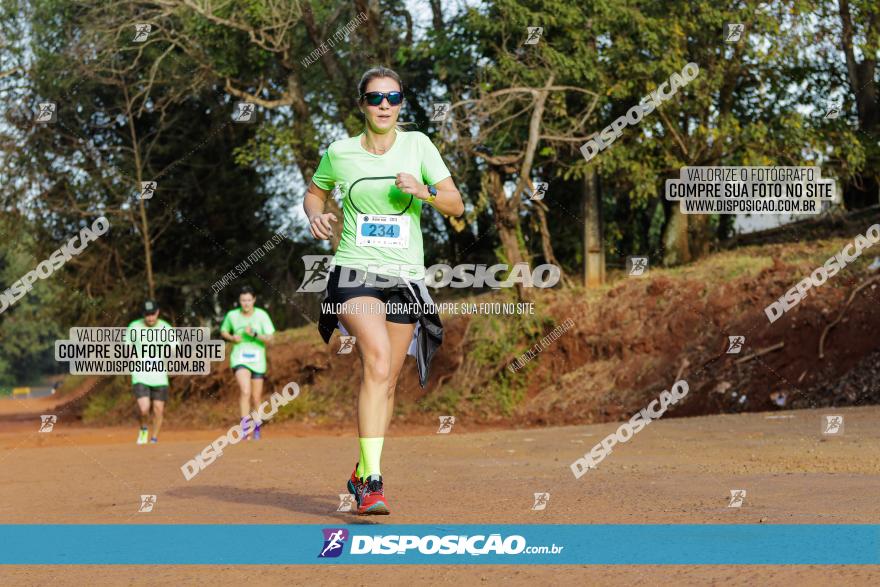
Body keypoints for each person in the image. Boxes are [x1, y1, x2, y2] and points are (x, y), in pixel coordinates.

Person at [303, 66, 463, 515]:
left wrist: (425, 189)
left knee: (388, 377)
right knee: (374, 358)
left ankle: (361, 470)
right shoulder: (340, 152)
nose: (385, 105)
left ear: (401, 103)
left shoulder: (419, 146)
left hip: (406, 276)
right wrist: (314, 214)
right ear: (362, 105)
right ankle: (373, 483)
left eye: (392, 97)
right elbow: (314, 193)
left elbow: (456, 203)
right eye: (375, 98)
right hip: (354, 271)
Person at [220, 286, 276, 440]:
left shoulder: (262, 315)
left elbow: (271, 339)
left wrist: (255, 334)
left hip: (258, 360)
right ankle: (245, 429)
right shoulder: (232, 315)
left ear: (254, 300)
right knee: (245, 390)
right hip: (239, 358)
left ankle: (257, 427)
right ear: (239, 301)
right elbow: (224, 331)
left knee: (256, 397)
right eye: (243, 300)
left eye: (249, 300)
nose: (246, 303)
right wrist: (232, 338)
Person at [127, 300, 172, 444]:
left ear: (157, 312)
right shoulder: (134, 326)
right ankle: (143, 429)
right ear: (143, 315)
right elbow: (128, 347)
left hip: (159, 376)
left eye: (153, 314)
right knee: (144, 408)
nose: (150, 318)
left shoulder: (165, 327)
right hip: (140, 374)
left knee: (159, 409)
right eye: (147, 315)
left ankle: (154, 438)